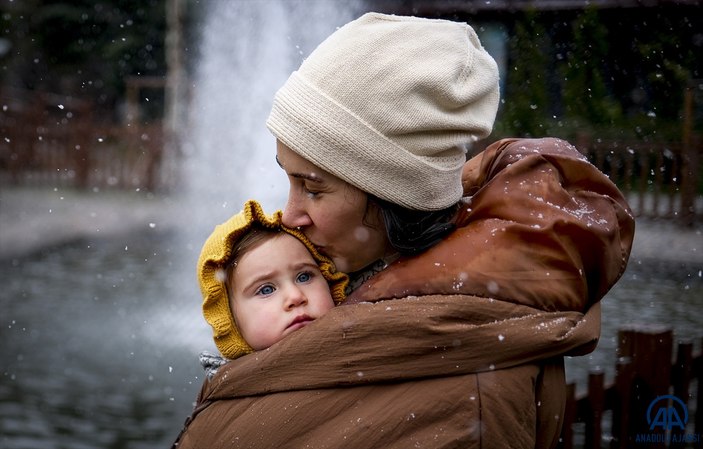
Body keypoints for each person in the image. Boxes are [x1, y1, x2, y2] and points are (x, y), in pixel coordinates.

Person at [173, 12, 635, 449]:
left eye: (313, 188)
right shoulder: (419, 307)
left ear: (392, 195)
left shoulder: (464, 385)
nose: (290, 216)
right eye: (288, 180)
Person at [188, 199, 347, 375]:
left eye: (304, 276)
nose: (295, 296)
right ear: (230, 321)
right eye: (266, 290)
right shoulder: (231, 394)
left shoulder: (365, 344)